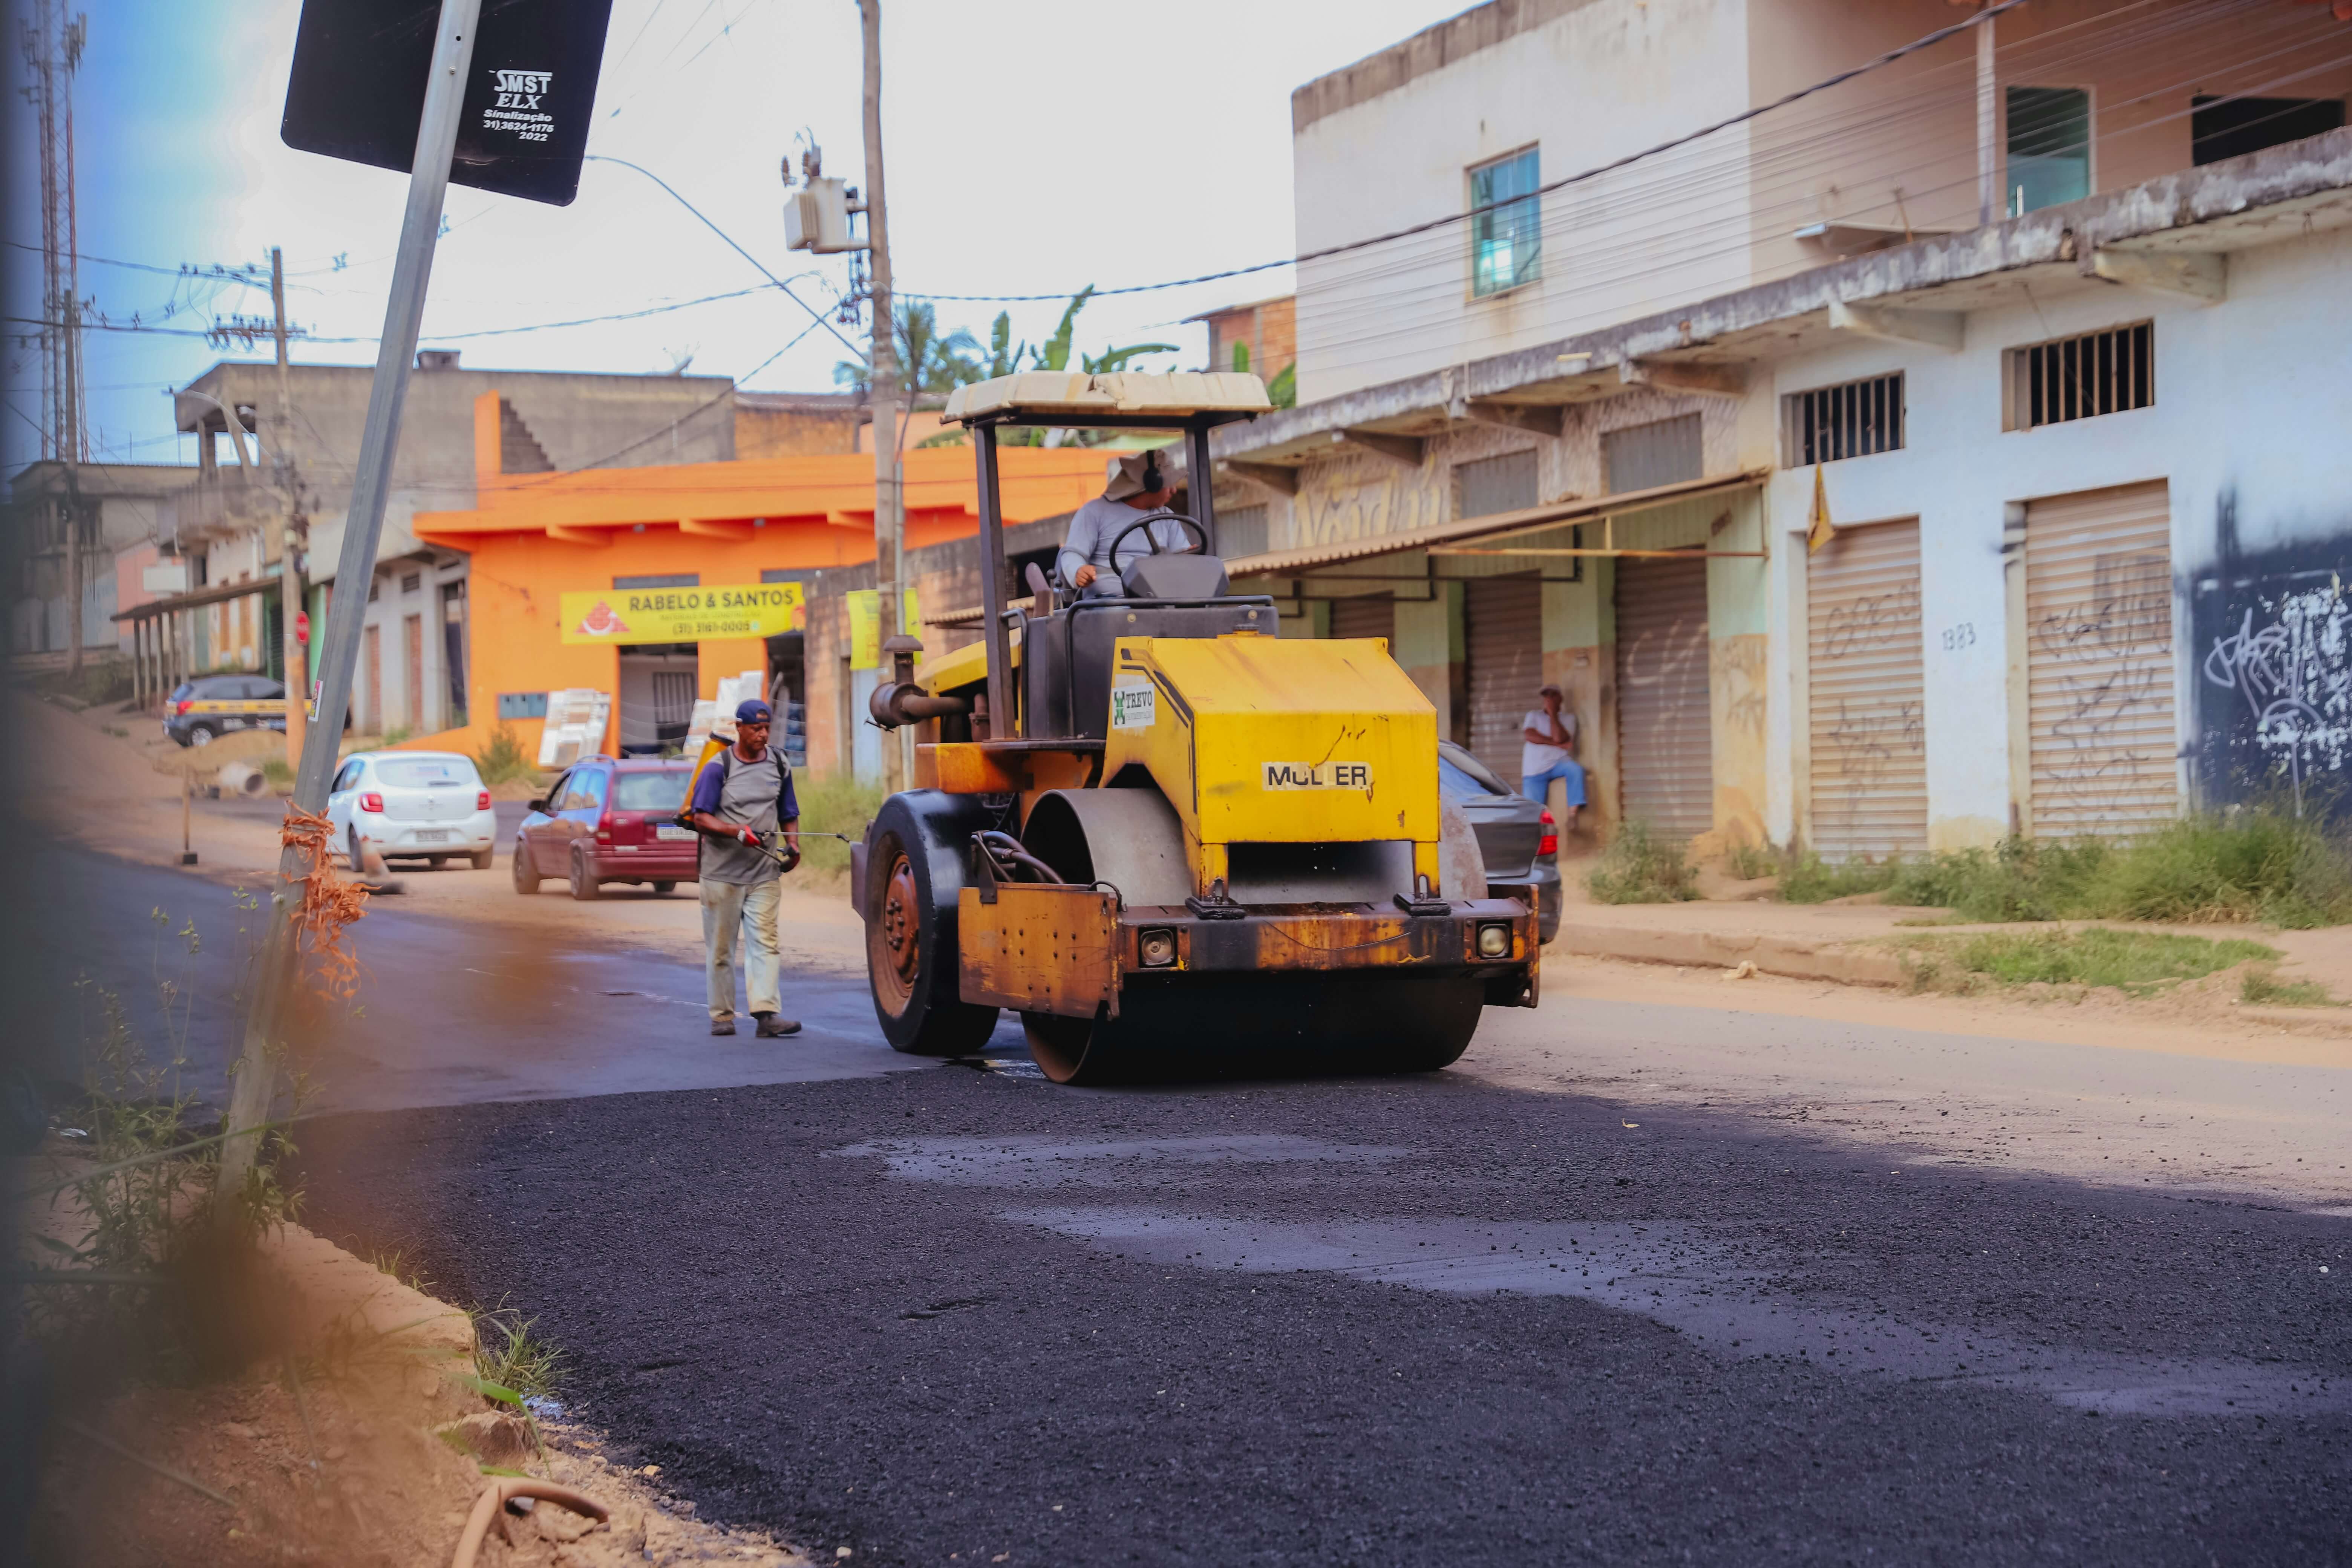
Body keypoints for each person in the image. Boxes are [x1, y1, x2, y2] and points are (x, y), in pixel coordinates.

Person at [687, 698, 802, 1038]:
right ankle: (722, 1017)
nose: (763, 735)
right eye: (756, 729)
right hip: (721, 875)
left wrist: (794, 846)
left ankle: (767, 1016)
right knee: (722, 949)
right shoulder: (718, 767)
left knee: (765, 943)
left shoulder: (779, 763)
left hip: (764, 874)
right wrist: (737, 833)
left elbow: (789, 811)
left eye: (767, 728)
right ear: (739, 728)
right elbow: (700, 817)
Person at [1057, 448, 1191, 598]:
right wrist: (1078, 570)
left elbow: (1182, 557)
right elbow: (1073, 553)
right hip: (1107, 605)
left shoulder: (1168, 518)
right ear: (1153, 484)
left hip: (1158, 601)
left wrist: (1190, 556)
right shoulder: (1094, 512)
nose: (1174, 491)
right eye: (1169, 485)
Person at [1521, 683, 1584, 831]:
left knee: (1576, 770)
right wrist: (1555, 744)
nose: (1548, 699)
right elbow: (1530, 736)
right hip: (1534, 770)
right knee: (1533, 813)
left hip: (1558, 764)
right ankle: (1538, 840)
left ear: (1560, 698)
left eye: (1552, 695)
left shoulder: (1569, 719)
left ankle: (1572, 816)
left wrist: (1553, 714)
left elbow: (1560, 738)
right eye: (1546, 696)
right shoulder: (1533, 715)